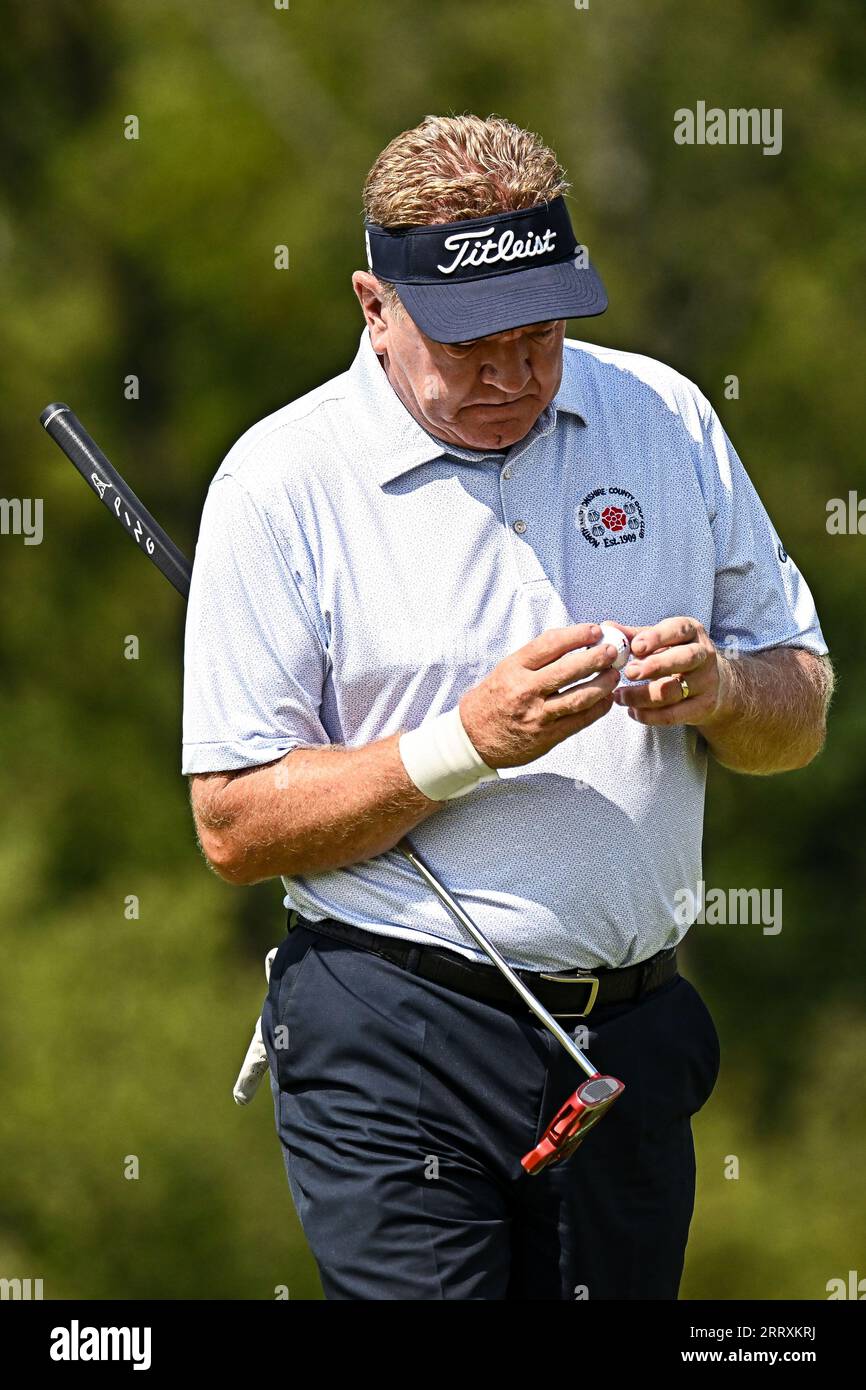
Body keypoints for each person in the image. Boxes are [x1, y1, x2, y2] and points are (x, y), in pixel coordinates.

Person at [181, 114, 833, 1300]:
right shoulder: (279, 484)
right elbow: (232, 826)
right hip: (394, 1032)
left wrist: (723, 692)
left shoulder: (664, 416)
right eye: (468, 343)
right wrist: (464, 743)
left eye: (538, 335)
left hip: (628, 1043)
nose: (511, 375)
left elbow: (799, 712)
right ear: (373, 305)